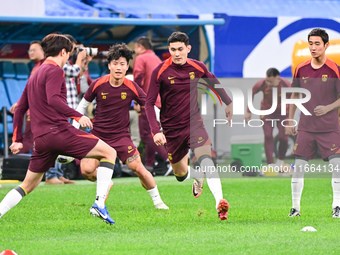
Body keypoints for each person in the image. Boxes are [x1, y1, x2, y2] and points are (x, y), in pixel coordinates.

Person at [0, 34, 117, 225]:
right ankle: (99, 203)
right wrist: (78, 115)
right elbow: (54, 99)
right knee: (109, 152)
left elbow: (20, 108)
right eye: (69, 54)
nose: (69, 58)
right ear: (63, 52)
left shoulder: (35, 73)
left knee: (27, 185)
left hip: (42, 140)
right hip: (58, 132)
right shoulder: (55, 70)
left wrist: (17, 139)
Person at [145, 31, 233, 220]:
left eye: (180, 49)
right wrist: (156, 131)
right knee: (179, 174)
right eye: (173, 50)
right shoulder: (160, 71)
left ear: (188, 49)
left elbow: (213, 82)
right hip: (171, 130)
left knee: (207, 160)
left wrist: (228, 102)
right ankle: (196, 175)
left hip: (194, 124)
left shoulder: (197, 66)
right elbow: (148, 103)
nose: (176, 54)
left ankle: (220, 202)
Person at [74, 43, 168, 210]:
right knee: (86, 170)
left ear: (127, 67)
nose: (118, 67)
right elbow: (82, 105)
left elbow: (149, 106)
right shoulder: (98, 84)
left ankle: (158, 201)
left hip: (121, 137)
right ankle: (106, 182)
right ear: (109, 65)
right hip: (98, 137)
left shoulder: (132, 86)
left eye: (122, 64)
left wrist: (161, 122)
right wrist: (80, 119)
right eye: (115, 63)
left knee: (137, 168)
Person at [285, 28, 340, 218]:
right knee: (299, 167)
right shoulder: (301, 68)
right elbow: (294, 95)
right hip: (306, 127)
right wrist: (291, 119)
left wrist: (328, 107)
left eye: (317, 44)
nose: (313, 47)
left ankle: (337, 207)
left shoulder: (334, 69)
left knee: (337, 166)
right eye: (310, 43)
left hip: (329, 128)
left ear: (326, 45)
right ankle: (295, 208)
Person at [133, 37, 169, 171]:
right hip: (161, 102)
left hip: (147, 101)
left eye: (136, 47)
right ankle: (149, 165)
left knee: (146, 135)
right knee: (153, 134)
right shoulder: (157, 59)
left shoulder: (140, 58)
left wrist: (136, 99)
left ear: (141, 47)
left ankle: (168, 161)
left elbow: (138, 78)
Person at [245, 68, 291, 166]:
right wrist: (248, 111)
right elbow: (251, 93)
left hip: (283, 113)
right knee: (268, 136)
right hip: (266, 112)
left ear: (278, 79)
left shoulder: (286, 85)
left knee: (284, 138)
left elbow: (294, 99)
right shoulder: (261, 84)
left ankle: (280, 160)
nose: (268, 83)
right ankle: (270, 163)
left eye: (270, 81)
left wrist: (290, 119)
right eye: (267, 80)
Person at [10, 40, 45, 153]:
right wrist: (19, 102)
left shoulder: (44, 66)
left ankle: (20, 164)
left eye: (34, 50)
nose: (31, 52)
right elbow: (29, 88)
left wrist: (20, 103)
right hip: (34, 110)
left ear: (43, 51)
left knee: (29, 138)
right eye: (30, 50)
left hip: (38, 110)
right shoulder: (36, 66)